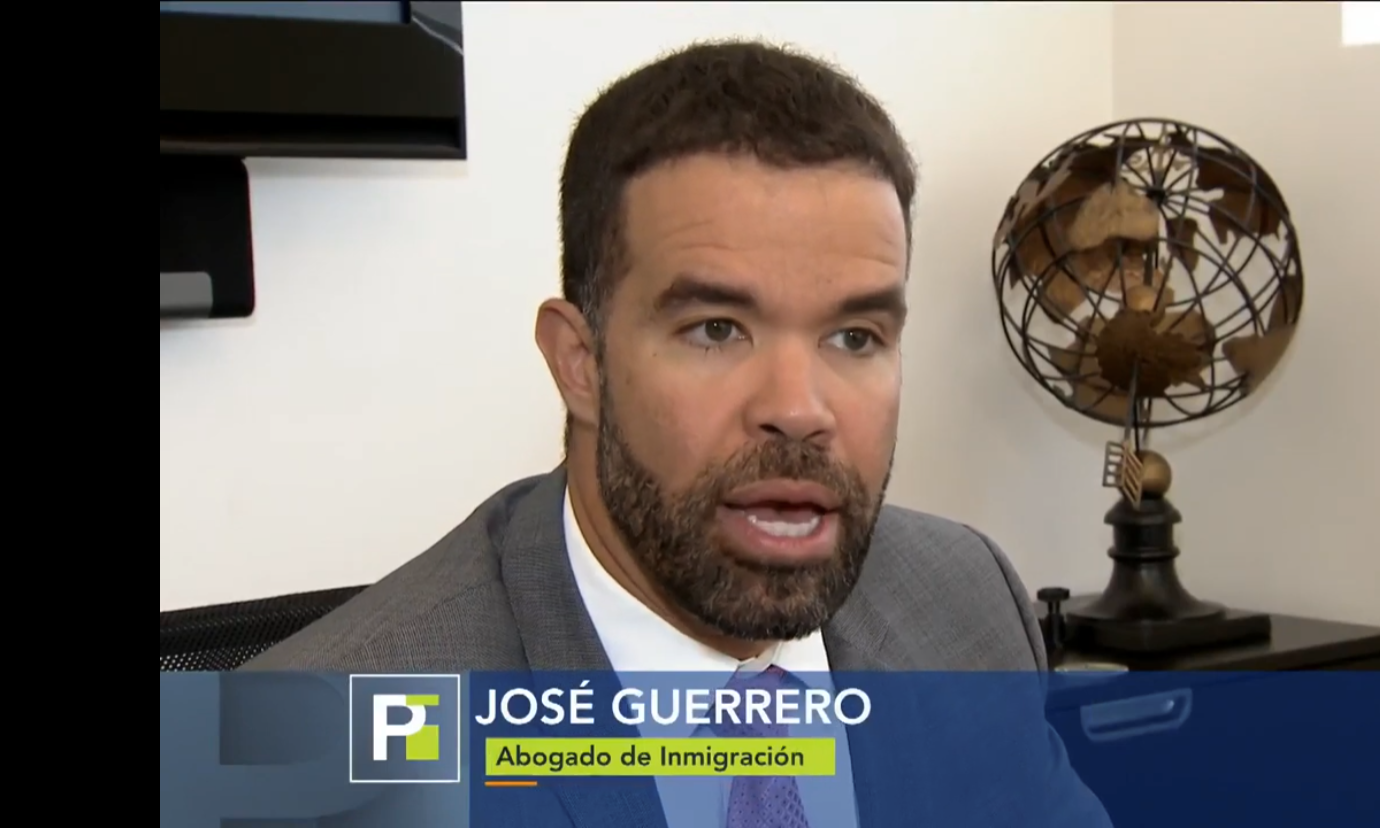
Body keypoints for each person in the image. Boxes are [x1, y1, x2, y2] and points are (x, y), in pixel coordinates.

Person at [248, 39, 1111, 828]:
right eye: (716, 330)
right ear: (581, 363)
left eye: (855, 337)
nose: (799, 408)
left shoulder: (964, 603)